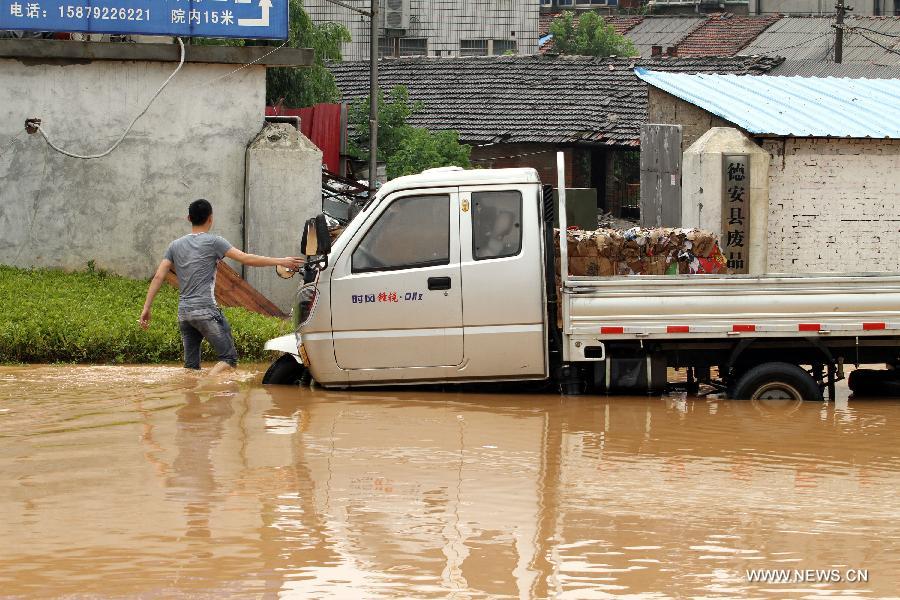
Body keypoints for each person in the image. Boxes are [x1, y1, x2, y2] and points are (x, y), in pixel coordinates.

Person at [140, 199, 303, 374]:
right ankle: (204, 387)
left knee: (190, 367)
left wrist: (147, 308)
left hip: (184, 314)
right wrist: (281, 261)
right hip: (206, 311)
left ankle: (191, 397)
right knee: (228, 359)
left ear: (189, 218)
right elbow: (246, 259)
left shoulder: (174, 245)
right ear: (210, 219)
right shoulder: (214, 242)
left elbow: (158, 276)